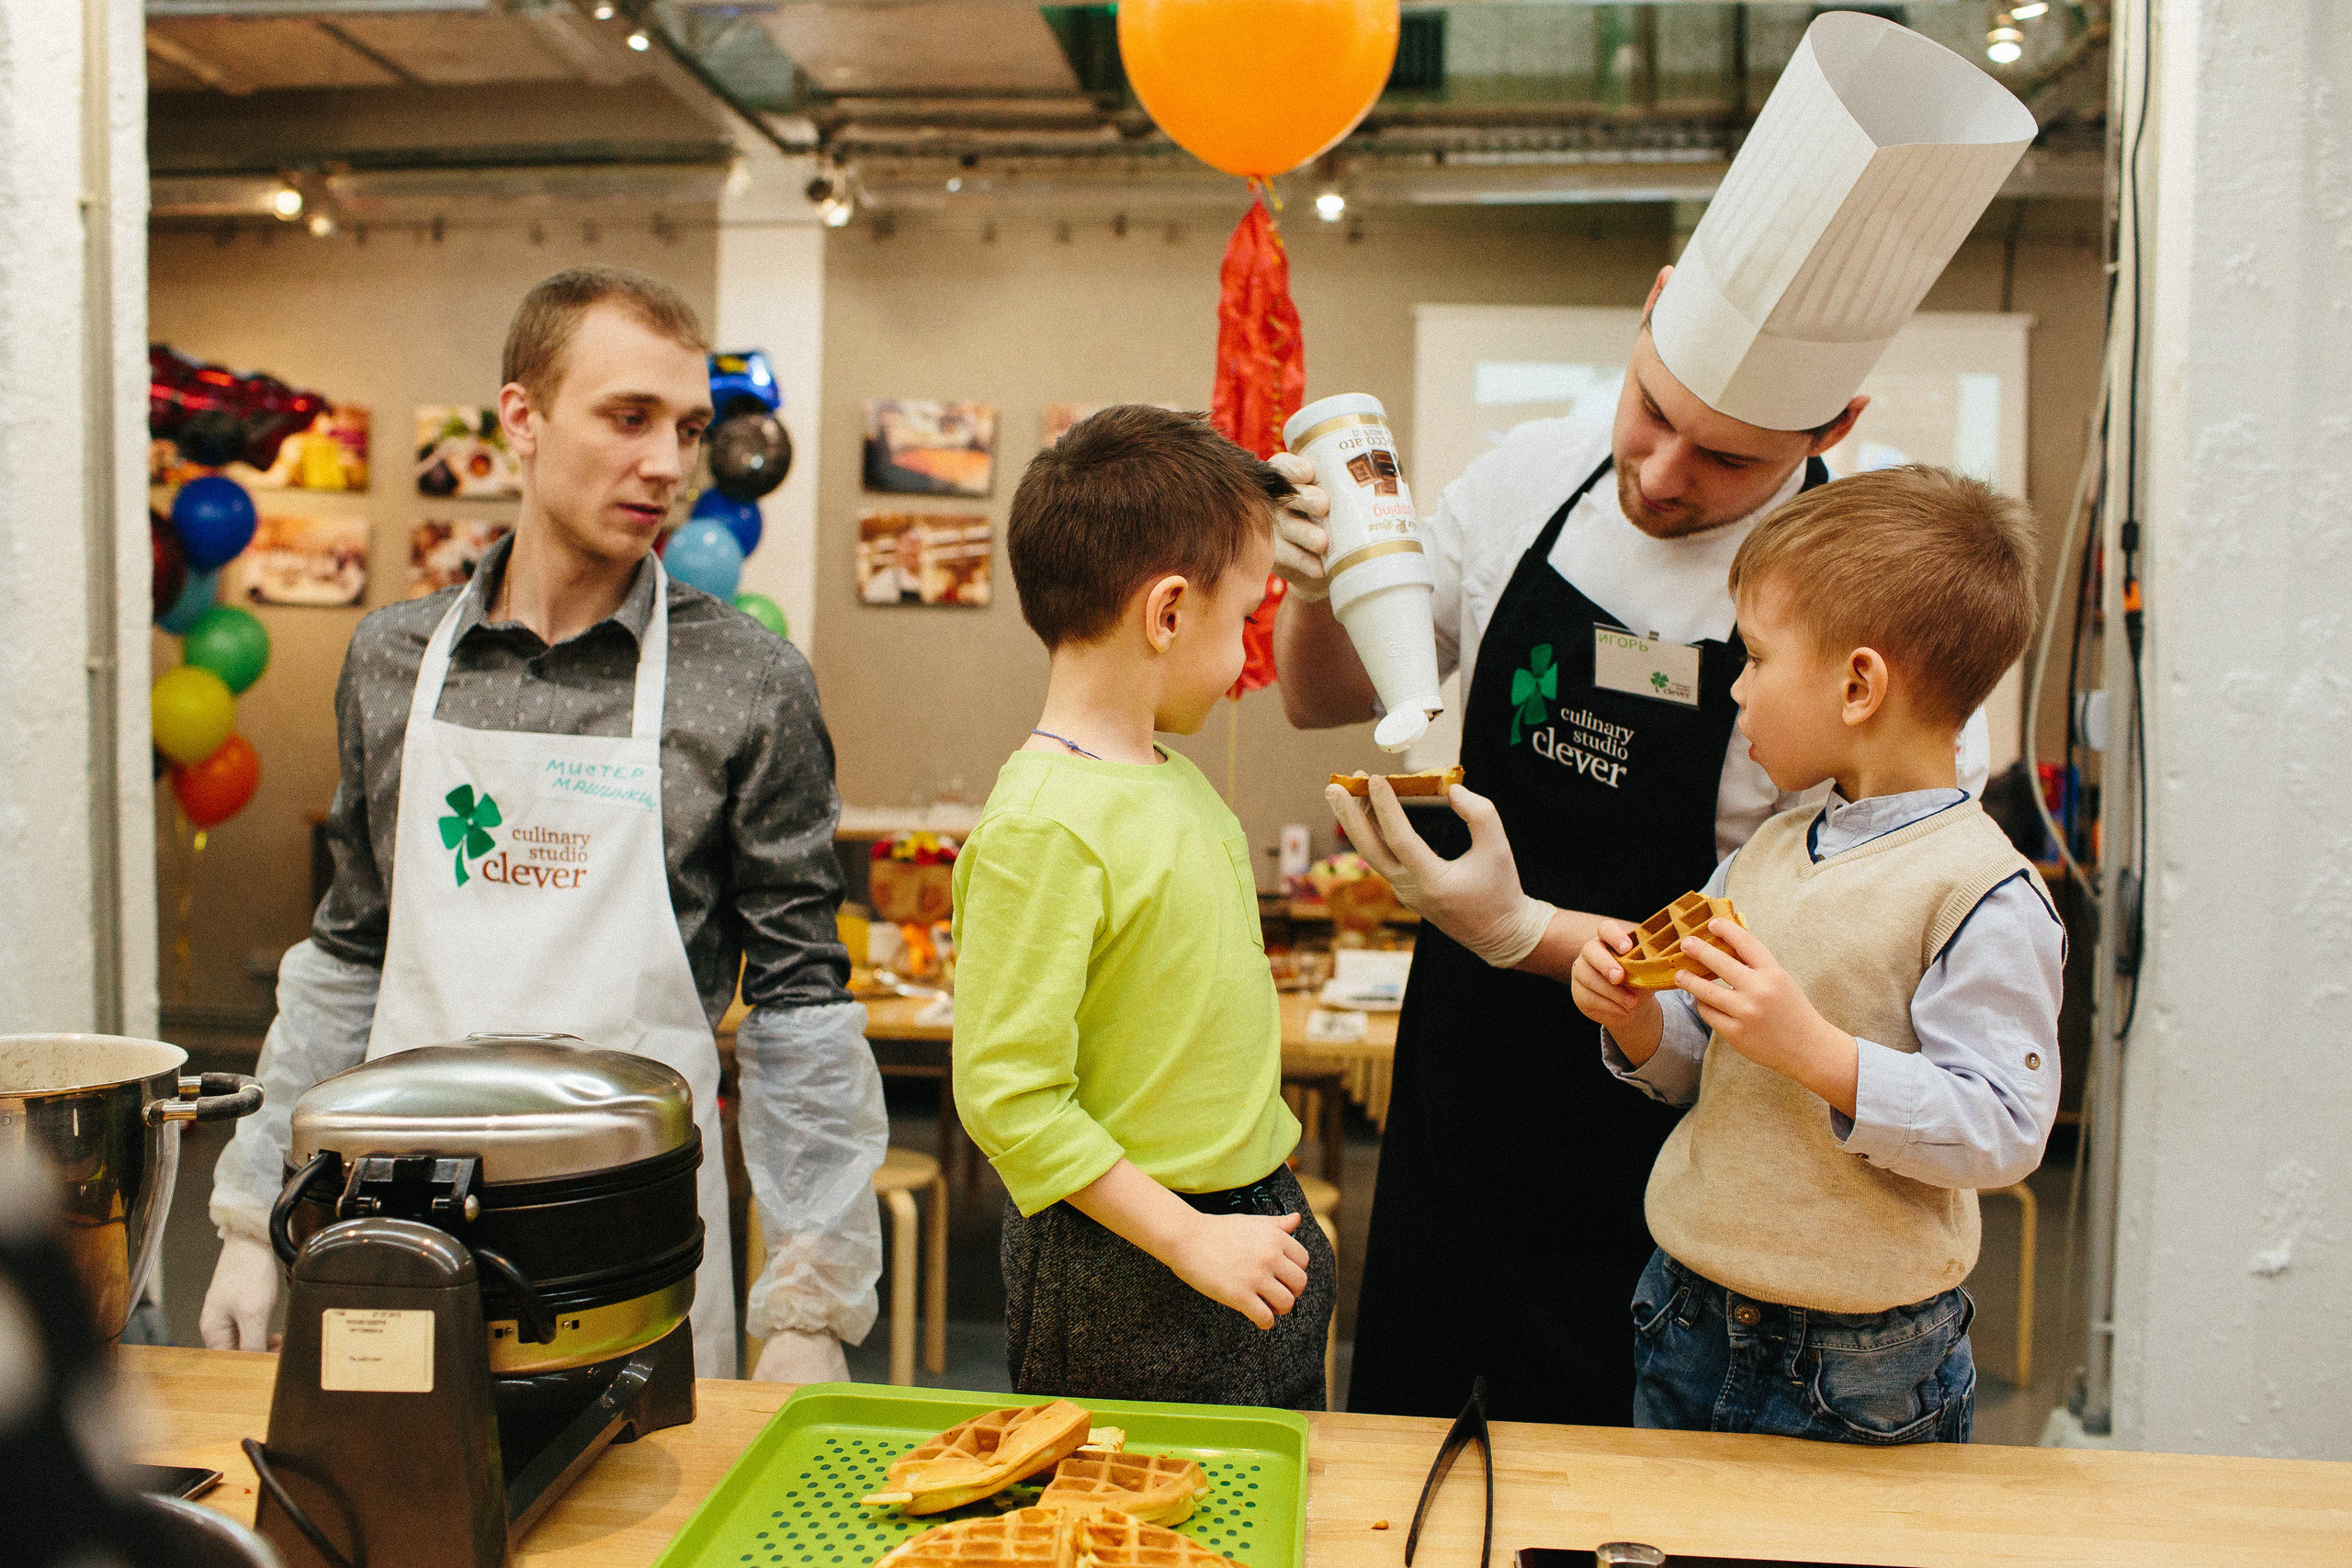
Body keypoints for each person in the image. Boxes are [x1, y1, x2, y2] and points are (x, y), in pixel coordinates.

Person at [1276, 13, 2035, 1424]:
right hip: (1457, 1080)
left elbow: (1804, 972)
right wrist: (1322, 584)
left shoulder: (1856, 637)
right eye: (1651, 411)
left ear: (1836, 424)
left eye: (1727, 456)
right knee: (1405, 1435)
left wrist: (1520, 926)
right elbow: (1324, 694)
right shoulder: (1528, 475)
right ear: (1652, 304)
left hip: (1680, 1126)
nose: (1663, 473)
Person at [199, 266, 888, 1382]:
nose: (667, 464)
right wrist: (248, 1214)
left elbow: (802, 1011)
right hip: (395, 1221)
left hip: (637, 1238)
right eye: (629, 418)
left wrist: (808, 1307)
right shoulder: (393, 660)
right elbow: (346, 959)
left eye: (689, 428)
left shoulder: (747, 683)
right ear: (521, 417)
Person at [1567, 465, 2063, 1442]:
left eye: (1755, 656)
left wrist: (1815, 1053)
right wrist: (1634, 1018)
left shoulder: (1980, 893)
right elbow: (1695, 1071)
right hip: (1685, 1309)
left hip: (1863, 1363)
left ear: (1858, 683)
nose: (1736, 687)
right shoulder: (1765, 849)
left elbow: (2003, 1129)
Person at [951, 405, 1334, 1407]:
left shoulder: (1175, 778)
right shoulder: (1043, 823)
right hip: (1133, 1253)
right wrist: (1185, 1237)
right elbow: (1009, 1096)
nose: (1252, 654)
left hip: (1246, 1219)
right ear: (1167, 612)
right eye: (1246, 619)